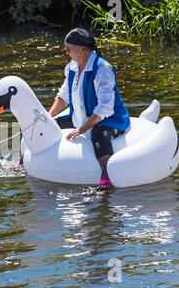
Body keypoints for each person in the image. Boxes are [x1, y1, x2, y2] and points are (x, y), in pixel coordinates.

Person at [48, 28, 131, 190]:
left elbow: (104, 108)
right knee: (47, 126)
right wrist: (48, 117)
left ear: (80, 49)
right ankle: (23, 161)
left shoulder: (102, 69)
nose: (66, 53)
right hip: (79, 117)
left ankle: (107, 177)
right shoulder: (72, 67)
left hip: (110, 120)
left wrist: (82, 128)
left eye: (67, 49)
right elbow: (63, 96)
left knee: (99, 133)